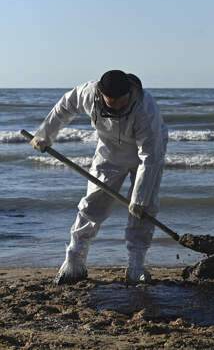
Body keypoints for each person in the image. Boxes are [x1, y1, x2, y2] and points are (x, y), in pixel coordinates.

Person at [29, 70, 168, 284]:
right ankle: (74, 261)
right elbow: (64, 107)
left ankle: (135, 265)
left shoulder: (145, 109)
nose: (118, 106)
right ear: (101, 93)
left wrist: (139, 199)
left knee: (144, 209)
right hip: (109, 153)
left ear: (129, 94)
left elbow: (150, 158)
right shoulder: (88, 93)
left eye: (122, 102)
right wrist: (44, 135)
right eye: (112, 102)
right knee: (92, 205)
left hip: (146, 157)